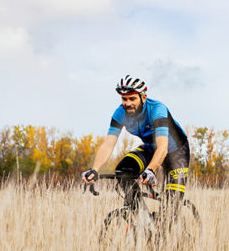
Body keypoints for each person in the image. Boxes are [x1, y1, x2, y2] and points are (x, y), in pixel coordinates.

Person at [81, 75, 191, 219]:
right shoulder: (120, 113)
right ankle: (141, 217)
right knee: (123, 170)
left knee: (170, 210)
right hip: (151, 148)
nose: (127, 103)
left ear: (143, 98)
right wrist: (94, 169)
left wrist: (150, 170)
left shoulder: (157, 110)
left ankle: (169, 228)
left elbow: (163, 148)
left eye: (132, 99)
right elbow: (108, 143)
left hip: (176, 153)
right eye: (124, 99)